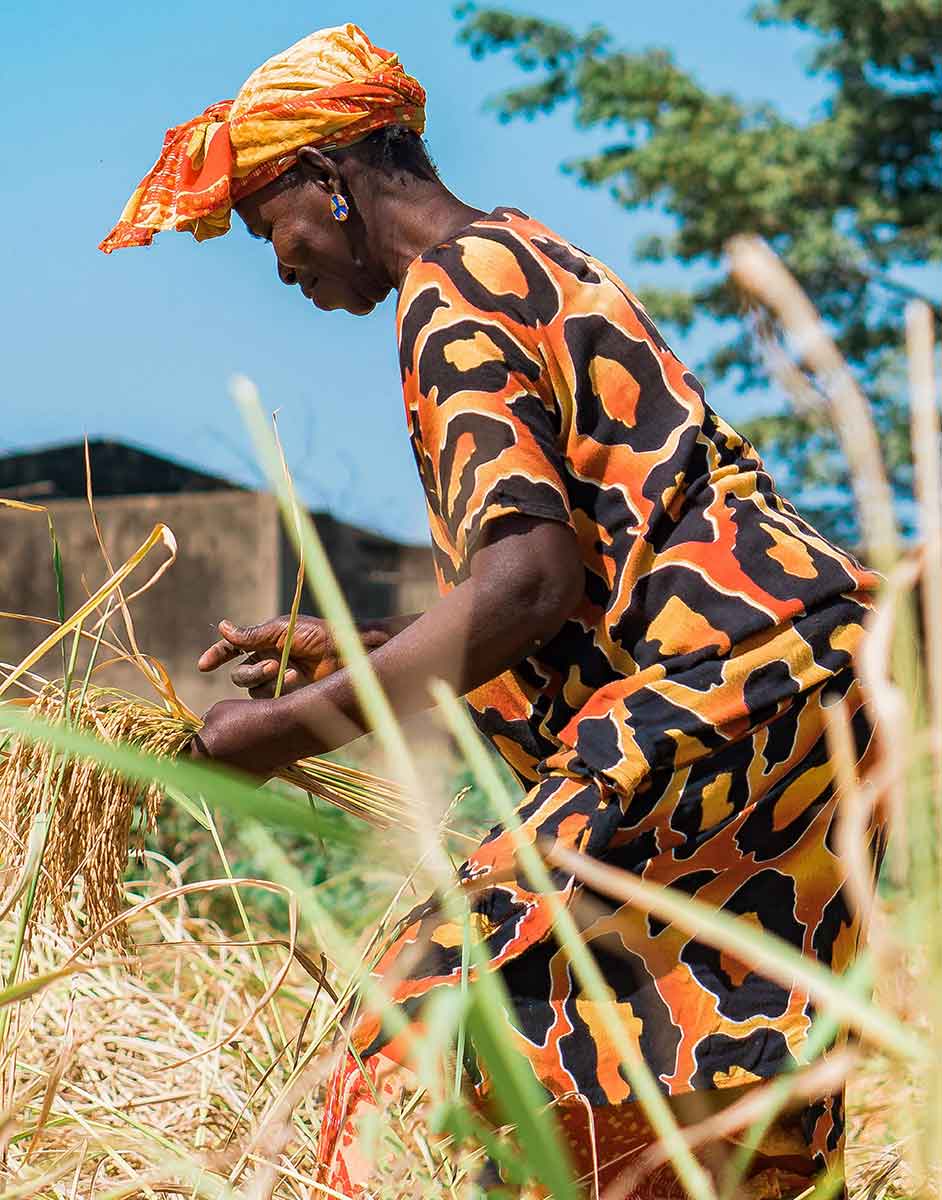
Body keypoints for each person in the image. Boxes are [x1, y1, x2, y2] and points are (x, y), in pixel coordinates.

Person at [101, 23, 881, 1197]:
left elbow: (526, 586)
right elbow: (592, 561)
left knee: (438, 1010)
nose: (282, 265)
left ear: (333, 177)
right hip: (816, 682)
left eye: (274, 229)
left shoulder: (447, 296)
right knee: (697, 1073)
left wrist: (272, 735)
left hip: (725, 681)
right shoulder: (525, 250)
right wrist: (351, 649)